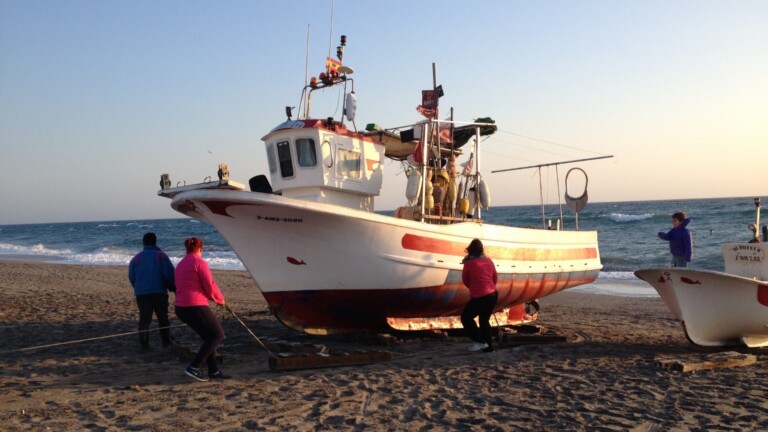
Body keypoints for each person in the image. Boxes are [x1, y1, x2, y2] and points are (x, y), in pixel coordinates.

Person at [174, 237, 229, 381]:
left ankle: (214, 371)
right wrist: (220, 300)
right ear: (200, 248)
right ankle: (194, 367)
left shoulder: (180, 264)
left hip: (181, 307)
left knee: (208, 337)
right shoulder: (199, 263)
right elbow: (209, 286)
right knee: (218, 335)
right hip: (194, 305)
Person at [128, 232, 175, 351]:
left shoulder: (136, 258)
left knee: (144, 319)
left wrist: (137, 287)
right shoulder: (161, 256)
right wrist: (173, 288)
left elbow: (131, 276)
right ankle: (165, 342)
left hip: (142, 293)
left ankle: (144, 345)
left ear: (143, 242)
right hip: (158, 291)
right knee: (162, 318)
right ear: (155, 242)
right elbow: (169, 275)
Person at [460, 238, 499, 353]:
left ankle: (480, 341)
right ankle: (489, 347)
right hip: (493, 294)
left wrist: (475, 288)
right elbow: (495, 278)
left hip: (480, 296)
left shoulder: (468, 263)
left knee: (466, 317)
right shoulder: (489, 261)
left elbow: (465, 280)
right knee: (484, 320)